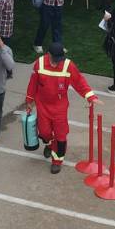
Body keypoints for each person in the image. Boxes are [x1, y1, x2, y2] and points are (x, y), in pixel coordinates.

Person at [23, 43, 97, 173]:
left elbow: (79, 82)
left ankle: (57, 161)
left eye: (60, 59)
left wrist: (90, 97)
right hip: (43, 105)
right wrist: (29, 101)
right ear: (49, 55)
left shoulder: (68, 65)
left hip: (59, 107)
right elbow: (33, 83)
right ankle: (49, 144)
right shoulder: (39, 63)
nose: (58, 62)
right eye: (55, 59)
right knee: (44, 132)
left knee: (60, 136)